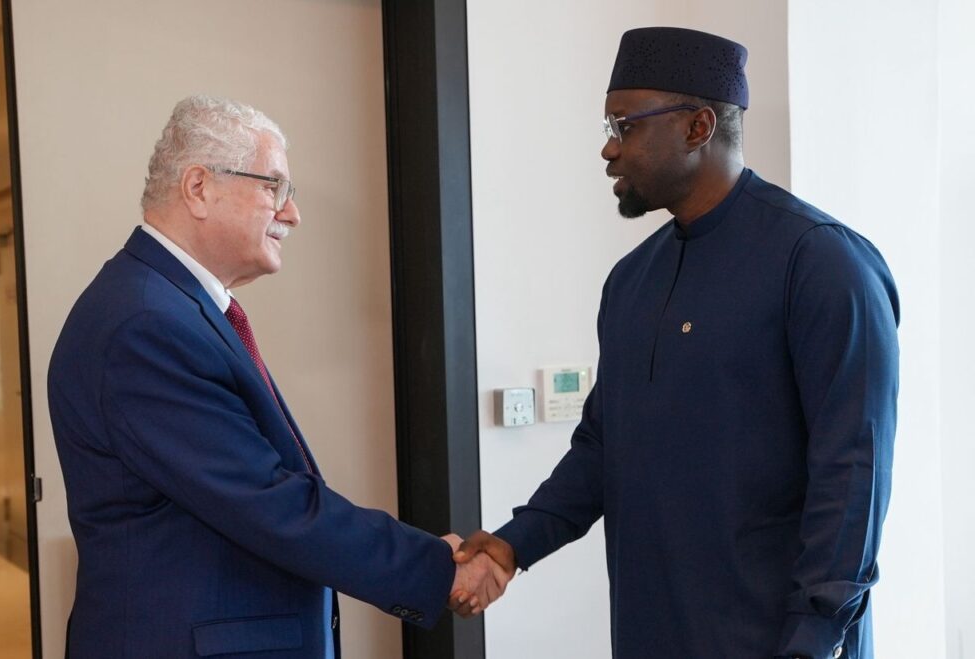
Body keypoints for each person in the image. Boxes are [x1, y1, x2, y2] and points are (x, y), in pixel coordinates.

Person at [453, 27, 899, 659]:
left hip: (782, 638)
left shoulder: (821, 263)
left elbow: (854, 473)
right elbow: (603, 446)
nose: (609, 149)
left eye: (625, 125)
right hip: (652, 629)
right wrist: (512, 544)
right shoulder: (632, 280)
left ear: (698, 127)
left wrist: (816, 636)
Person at [48, 95, 507, 659]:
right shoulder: (146, 323)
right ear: (199, 188)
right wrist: (435, 566)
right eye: (274, 188)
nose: (292, 214)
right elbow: (266, 500)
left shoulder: (168, 306)